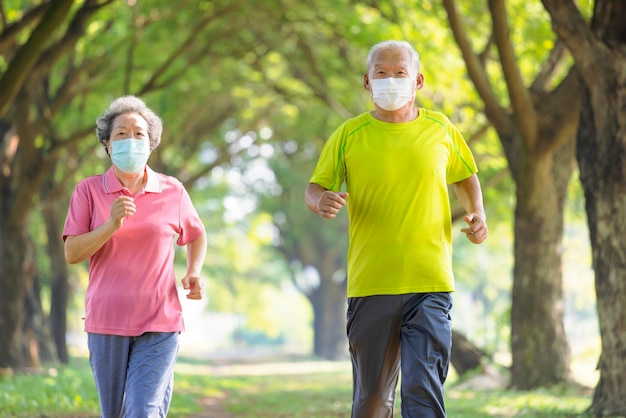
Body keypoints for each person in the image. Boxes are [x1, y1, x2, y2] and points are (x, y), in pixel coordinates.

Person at [304, 40, 488, 418]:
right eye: (381, 73)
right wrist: (320, 200)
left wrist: (478, 214)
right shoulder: (349, 134)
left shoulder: (441, 128)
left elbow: (466, 176)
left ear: (417, 81)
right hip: (371, 282)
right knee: (372, 400)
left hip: (430, 282)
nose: (390, 80)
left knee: (423, 389)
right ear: (367, 83)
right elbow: (314, 187)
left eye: (399, 73)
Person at [63, 95, 207, 418]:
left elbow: (196, 234)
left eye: (139, 133)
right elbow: (72, 252)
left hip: (160, 321)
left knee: (142, 411)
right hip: (106, 321)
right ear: (107, 144)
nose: (131, 140)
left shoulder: (173, 191)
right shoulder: (88, 191)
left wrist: (193, 271)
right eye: (121, 134)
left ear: (152, 142)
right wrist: (111, 224)